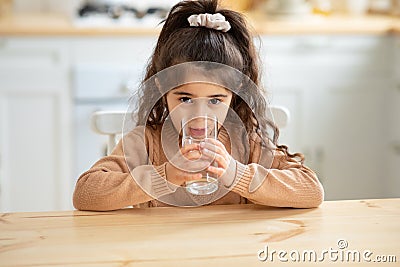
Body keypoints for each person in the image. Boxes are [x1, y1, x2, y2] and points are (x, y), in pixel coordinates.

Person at [73, 0, 324, 211]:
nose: (199, 116)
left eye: (215, 100)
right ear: (162, 91)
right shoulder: (146, 143)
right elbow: (85, 194)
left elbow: (311, 190)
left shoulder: (246, 142)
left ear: (234, 97)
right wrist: (163, 177)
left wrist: (238, 175)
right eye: (185, 99)